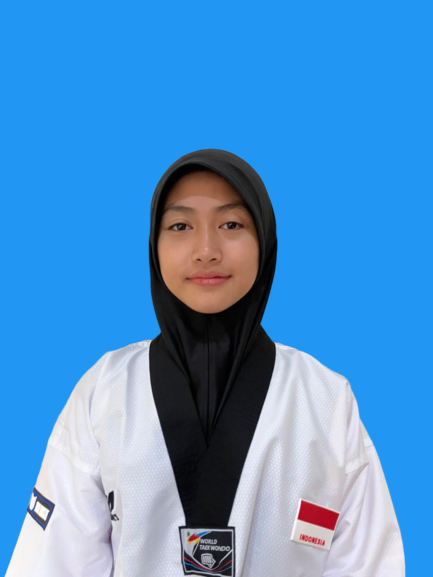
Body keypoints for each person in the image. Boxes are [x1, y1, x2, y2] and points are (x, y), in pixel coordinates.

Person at [5, 149, 405, 577]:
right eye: (180, 226)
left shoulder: (326, 400)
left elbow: (368, 565)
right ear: (154, 246)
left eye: (231, 224)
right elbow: (55, 564)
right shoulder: (104, 392)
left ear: (265, 240)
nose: (206, 250)